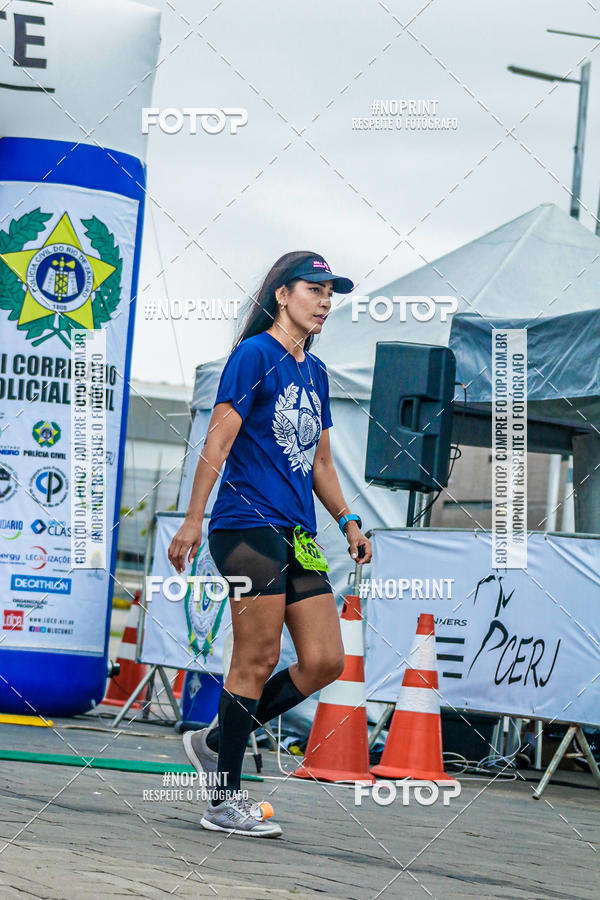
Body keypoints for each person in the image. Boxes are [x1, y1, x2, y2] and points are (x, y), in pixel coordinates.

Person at [168, 250, 372, 837]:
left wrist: (349, 520)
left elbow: (322, 461)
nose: (326, 301)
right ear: (282, 294)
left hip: (297, 532)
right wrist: (191, 520)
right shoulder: (254, 355)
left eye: (331, 293)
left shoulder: (317, 371)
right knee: (254, 660)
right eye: (315, 289)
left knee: (324, 661)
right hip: (245, 526)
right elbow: (219, 438)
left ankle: (214, 741)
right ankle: (222, 801)